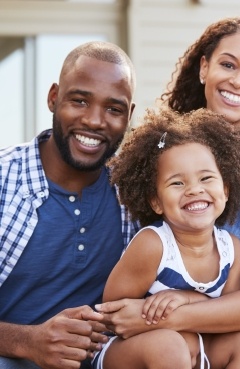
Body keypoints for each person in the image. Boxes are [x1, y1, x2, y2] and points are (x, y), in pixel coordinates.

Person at [96, 14, 240, 369]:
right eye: (228, 64)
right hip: (162, 352)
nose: (238, 81)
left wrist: (170, 312)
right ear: (204, 68)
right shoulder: (166, 156)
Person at [0, 41, 139, 369]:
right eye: (79, 100)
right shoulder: (4, 179)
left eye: (114, 109)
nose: (94, 121)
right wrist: (29, 341)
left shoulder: (135, 193)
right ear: (53, 98)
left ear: (129, 116)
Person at [93, 107, 240, 369]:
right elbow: (113, 313)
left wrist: (187, 300)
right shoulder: (153, 245)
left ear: (226, 189)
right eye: (177, 183)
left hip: (197, 349)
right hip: (130, 352)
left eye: (206, 178)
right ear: (156, 202)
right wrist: (167, 322)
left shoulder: (232, 251)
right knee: (169, 346)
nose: (195, 189)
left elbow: (229, 315)